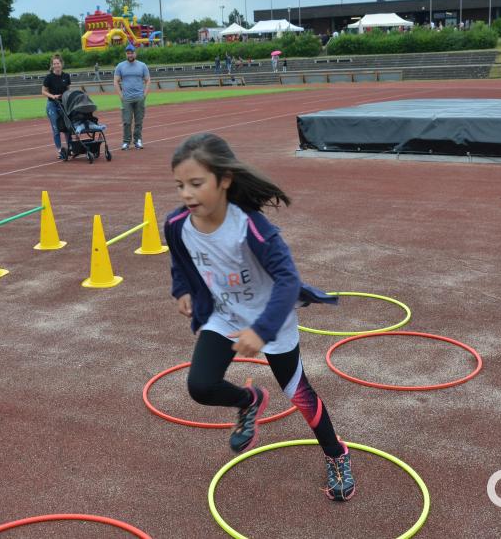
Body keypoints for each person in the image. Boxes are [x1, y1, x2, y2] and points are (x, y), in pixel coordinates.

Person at [164, 133, 356, 502]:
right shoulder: (178, 225)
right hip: (223, 315)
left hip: (273, 318)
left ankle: (337, 454)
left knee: (298, 393)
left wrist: (262, 329)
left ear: (224, 180)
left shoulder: (250, 227)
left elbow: (287, 280)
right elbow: (180, 261)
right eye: (180, 185)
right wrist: (182, 290)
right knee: (200, 387)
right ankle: (248, 400)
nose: (186, 194)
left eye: (196, 184)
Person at [113, 43, 150, 150]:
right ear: (126, 54)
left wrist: (144, 95)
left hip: (139, 97)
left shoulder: (142, 65)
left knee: (139, 121)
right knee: (127, 121)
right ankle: (126, 142)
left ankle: (138, 140)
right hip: (127, 98)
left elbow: (148, 80)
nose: (130, 55)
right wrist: (121, 96)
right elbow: (116, 81)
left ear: (135, 53)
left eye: (132, 53)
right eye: (128, 53)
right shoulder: (120, 66)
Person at [41, 54, 72, 160]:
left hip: (63, 104)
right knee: (56, 129)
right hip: (52, 105)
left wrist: (67, 98)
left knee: (67, 127)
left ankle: (70, 148)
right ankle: (59, 150)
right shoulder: (49, 78)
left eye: (58, 63)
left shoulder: (66, 76)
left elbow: (68, 90)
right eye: (54, 64)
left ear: (61, 64)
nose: (56, 65)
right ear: (52, 65)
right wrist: (53, 96)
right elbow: (43, 91)